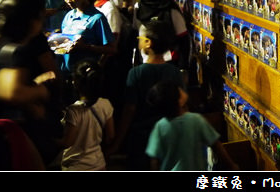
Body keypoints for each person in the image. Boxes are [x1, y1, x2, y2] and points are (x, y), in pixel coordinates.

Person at [0, 0, 58, 169]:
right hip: (2, 134)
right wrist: (40, 91)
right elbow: (12, 92)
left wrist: (34, 84)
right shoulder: (15, 51)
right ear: (30, 22)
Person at [109, 20, 186, 170]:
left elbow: (129, 110)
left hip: (142, 139)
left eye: (139, 39)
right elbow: (182, 105)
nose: (138, 42)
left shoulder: (135, 73)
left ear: (148, 43)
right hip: (170, 137)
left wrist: (117, 143)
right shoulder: (174, 72)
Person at [145, 79, 239, 171]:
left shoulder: (160, 126)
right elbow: (216, 145)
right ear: (179, 101)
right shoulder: (195, 120)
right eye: (179, 89)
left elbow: (154, 160)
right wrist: (232, 165)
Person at [56, 0, 116, 81]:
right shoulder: (69, 16)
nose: (68, 1)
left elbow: (111, 49)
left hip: (85, 77)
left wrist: (86, 47)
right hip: (66, 74)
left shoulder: (97, 18)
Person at [60, 60, 115, 171]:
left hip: (75, 167)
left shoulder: (74, 110)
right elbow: (111, 135)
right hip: (98, 164)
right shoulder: (105, 104)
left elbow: (67, 143)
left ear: (75, 83)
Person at [132, 0, 191, 72]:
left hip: (168, 64)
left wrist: (183, 68)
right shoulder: (138, 8)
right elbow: (135, 33)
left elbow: (184, 41)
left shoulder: (170, 10)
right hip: (144, 64)